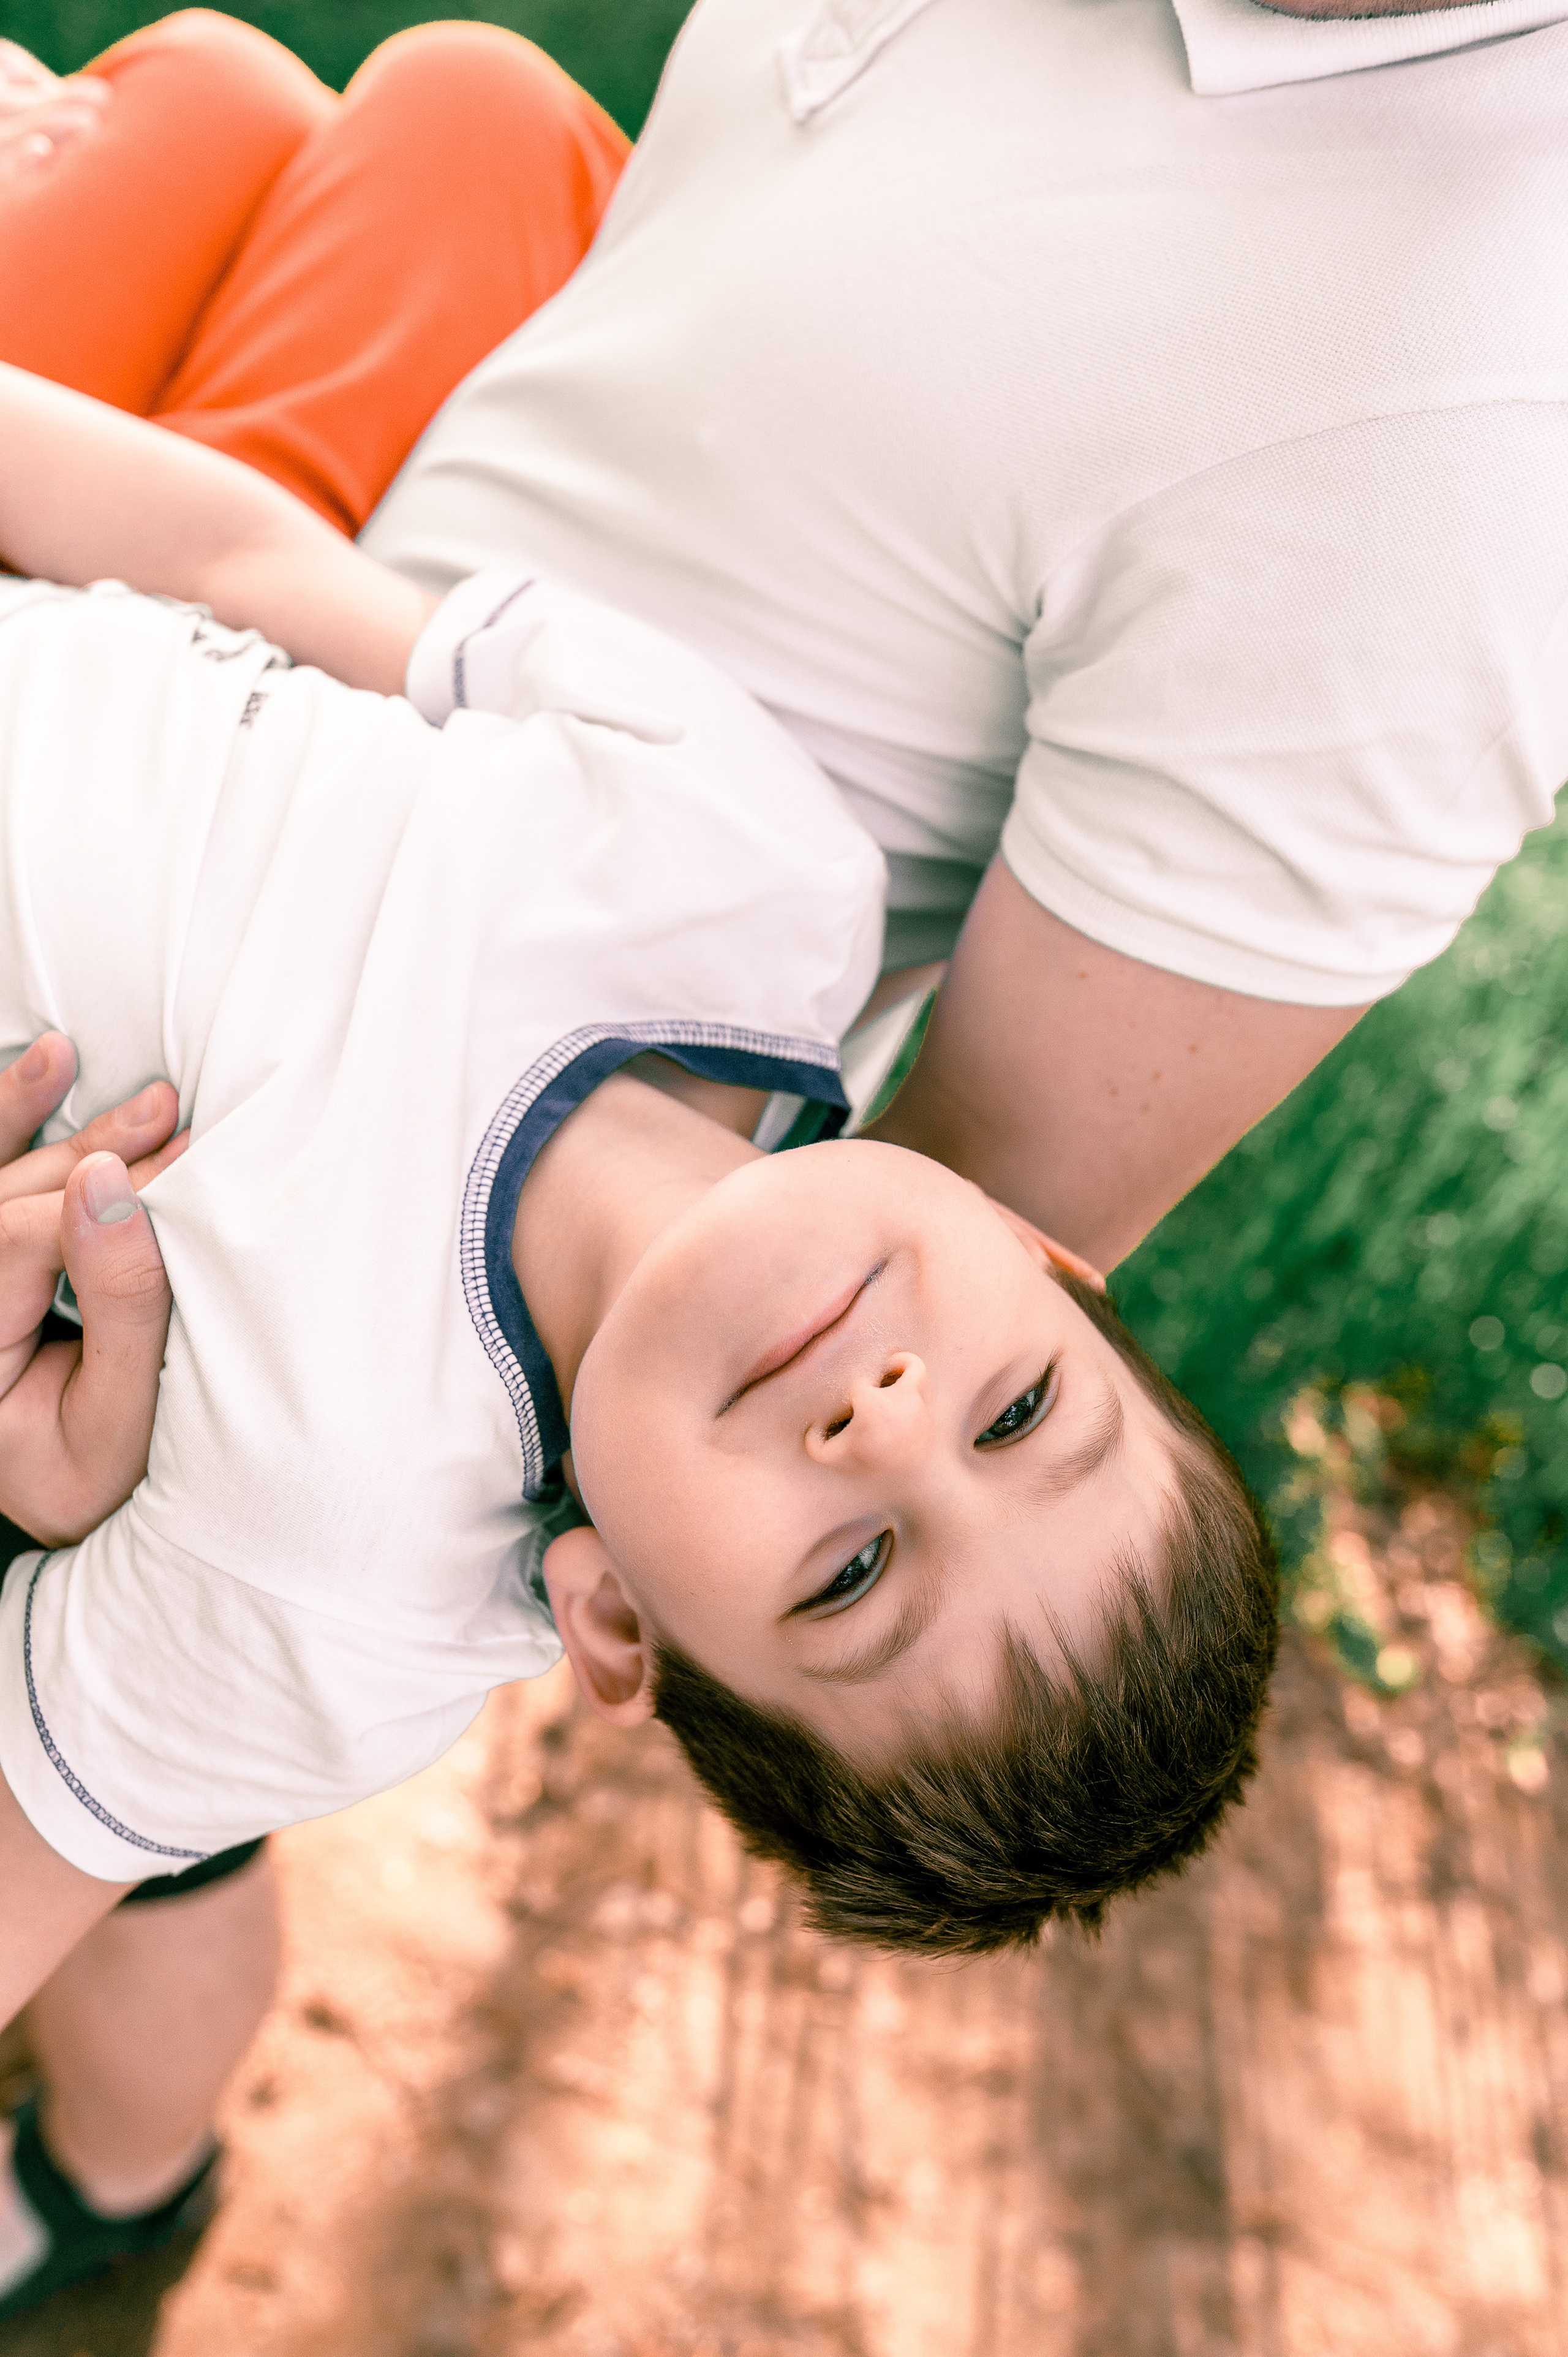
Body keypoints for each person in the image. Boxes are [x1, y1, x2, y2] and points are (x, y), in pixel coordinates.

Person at [0, 366, 1277, 2313]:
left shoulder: (332, 1580)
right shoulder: (757, 877)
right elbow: (251, 562)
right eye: (1021, 1411)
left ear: (612, 1625)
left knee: (169, 1865)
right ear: (1040, 1255)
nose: (889, 1419)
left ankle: (108, 2194)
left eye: (856, 1576)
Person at [4, 0, 1564, 1282]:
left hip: (254, 923)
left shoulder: (1464, 474)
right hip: (350, 562)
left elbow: (951, 1262)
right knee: (387, 102)